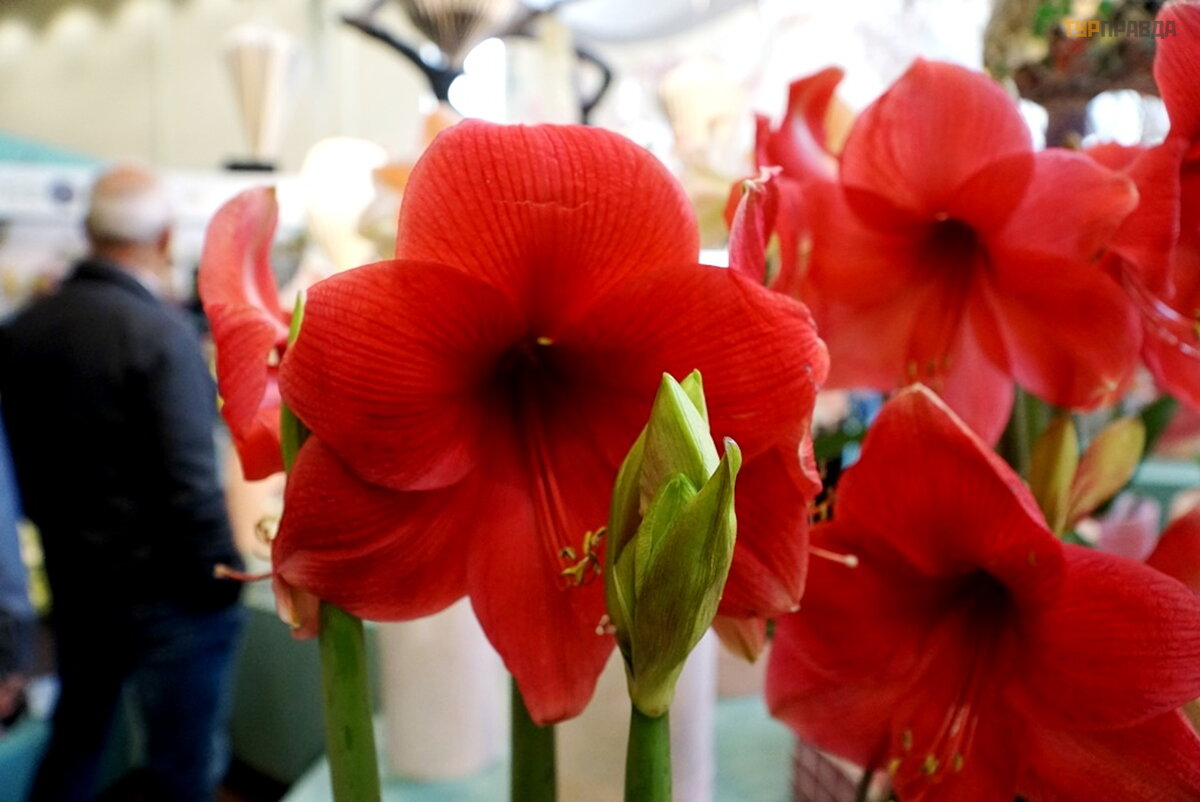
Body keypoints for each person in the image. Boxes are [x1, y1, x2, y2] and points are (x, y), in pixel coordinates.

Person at [0, 165, 244, 802]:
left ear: (88, 232)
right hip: (172, 594)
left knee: (76, 742)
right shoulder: (159, 334)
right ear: (164, 238)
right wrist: (225, 575)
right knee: (181, 767)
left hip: (78, 583)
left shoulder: (21, 332)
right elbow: (192, 483)